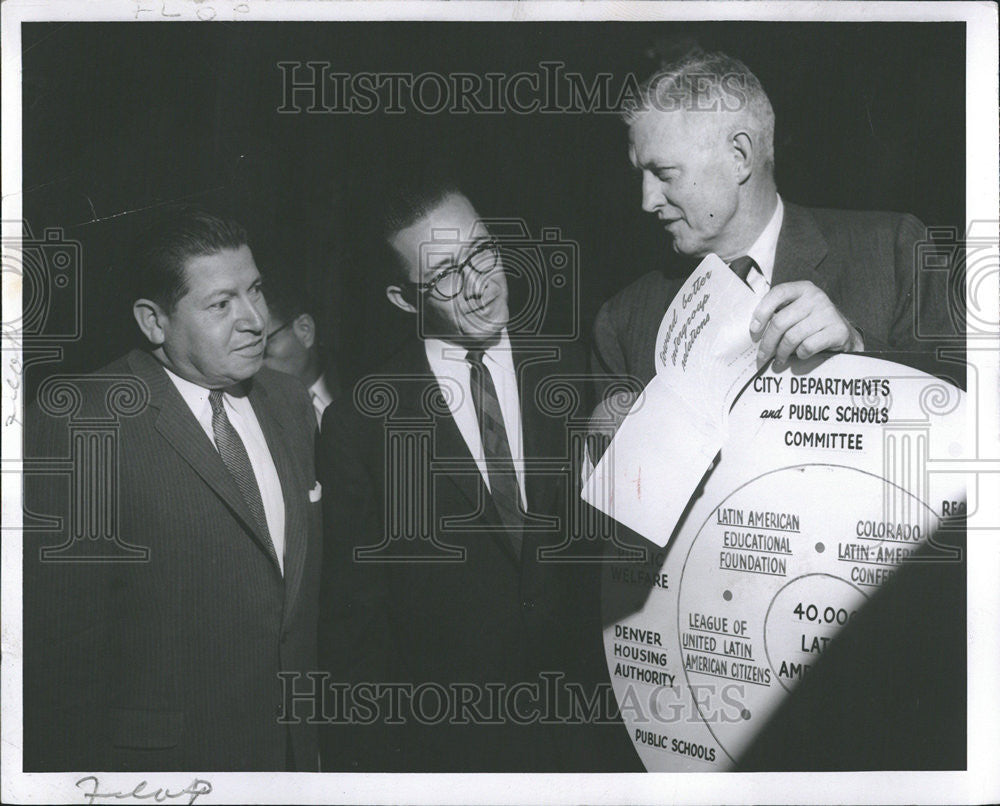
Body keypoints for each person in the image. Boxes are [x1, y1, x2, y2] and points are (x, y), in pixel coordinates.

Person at [317, 177, 640, 772]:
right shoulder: (359, 422)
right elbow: (356, 626)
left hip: (596, 733)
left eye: (483, 252)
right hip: (453, 751)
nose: (480, 287)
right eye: (444, 276)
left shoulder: (579, 364)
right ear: (404, 300)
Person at [22, 208, 322, 771]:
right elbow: (55, 655)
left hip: (289, 761)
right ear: (154, 322)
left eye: (255, 290)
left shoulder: (289, 403)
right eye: (220, 303)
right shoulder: (81, 421)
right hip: (162, 770)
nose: (255, 319)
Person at [592, 48, 958, 392]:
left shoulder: (892, 252)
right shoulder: (623, 321)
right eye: (641, 175)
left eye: (664, 173)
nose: (647, 201)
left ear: (740, 156)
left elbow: (969, 409)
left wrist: (858, 349)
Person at [262, 276, 340, 427]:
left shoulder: (358, 384)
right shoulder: (262, 413)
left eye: (265, 347)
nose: (255, 366)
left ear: (305, 330)